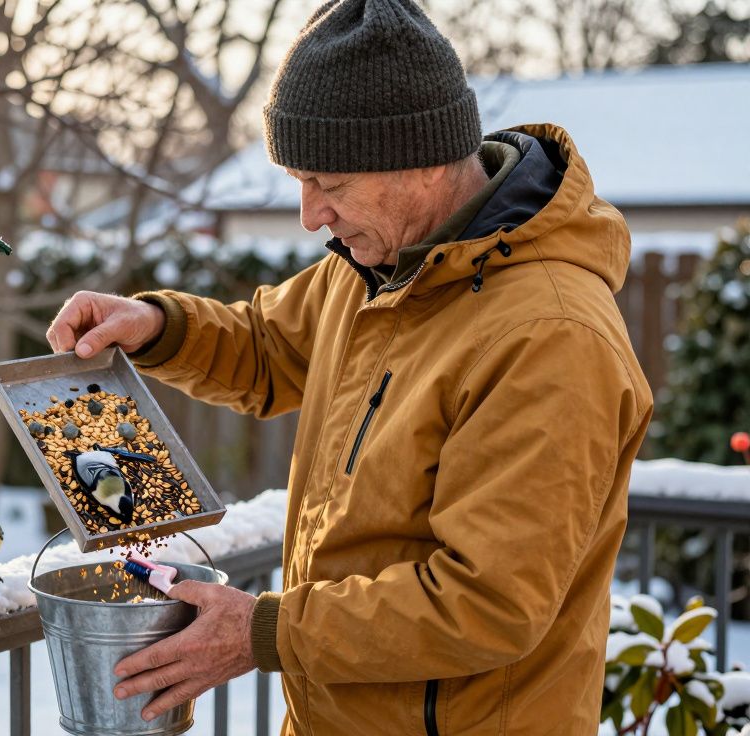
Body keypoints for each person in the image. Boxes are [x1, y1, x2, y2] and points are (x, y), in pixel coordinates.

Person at [45, 0, 653, 732]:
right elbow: (268, 349)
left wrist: (263, 631)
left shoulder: (549, 337)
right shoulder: (379, 267)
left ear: (421, 161)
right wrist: (157, 327)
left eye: (328, 184)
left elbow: (488, 603)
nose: (310, 215)